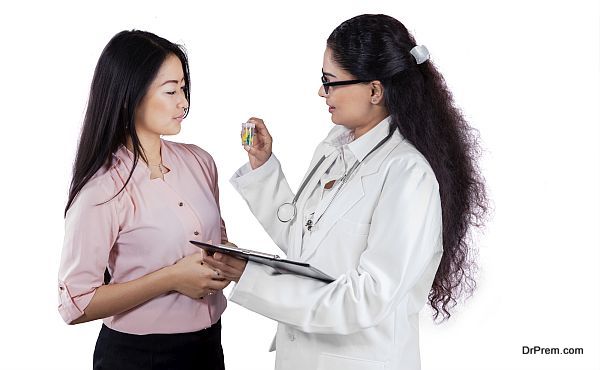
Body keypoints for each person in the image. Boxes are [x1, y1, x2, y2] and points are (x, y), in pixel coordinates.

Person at [204, 14, 488, 370]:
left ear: (374, 90)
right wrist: (264, 168)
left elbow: (366, 299)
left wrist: (249, 276)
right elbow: (303, 243)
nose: (322, 92)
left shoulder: (406, 174)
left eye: (331, 82)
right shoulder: (333, 146)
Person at [58, 30, 231, 370]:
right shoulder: (103, 190)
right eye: (170, 91)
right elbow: (75, 303)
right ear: (128, 97)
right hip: (140, 357)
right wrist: (170, 278)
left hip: (209, 346)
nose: (183, 102)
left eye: (183, 88)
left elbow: (217, 243)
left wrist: (227, 260)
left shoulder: (200, 162)